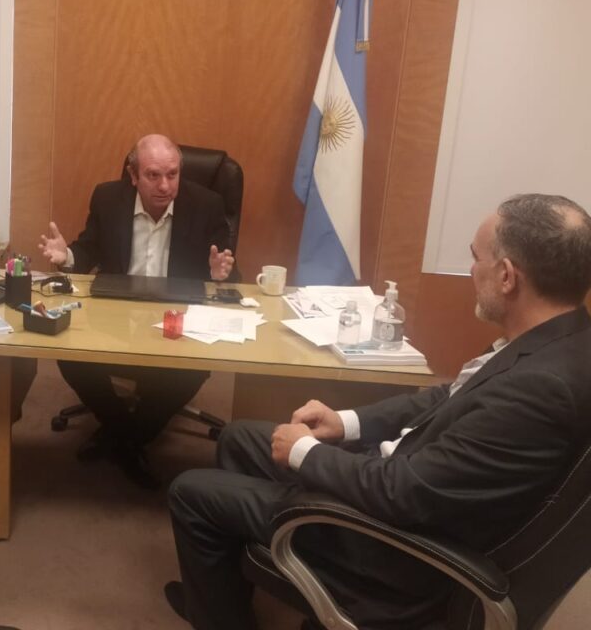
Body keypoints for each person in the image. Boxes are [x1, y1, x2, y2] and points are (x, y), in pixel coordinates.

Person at [166, 193, 591, 630]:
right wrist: (346, 422)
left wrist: (305, 453)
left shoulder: (539, 390)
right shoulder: (554, 341)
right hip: (406, 483)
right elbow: (447, 399)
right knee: (238, 438)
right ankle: (221, 598)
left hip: (392, 549)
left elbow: (404, 492)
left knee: (191, 491)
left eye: (475, 257)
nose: (470, 270)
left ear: (506, 276)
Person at [38, 134, 236, 489]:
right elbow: (88, 249)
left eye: (172, 175)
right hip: (116, 315)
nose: (165, 186)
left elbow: (226, 269)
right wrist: (66, 256)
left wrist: (219, 274)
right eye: (153, 175)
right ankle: (131, 437)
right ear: (133, 175)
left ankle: (117, 436)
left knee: (193, 369)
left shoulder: (207, 204)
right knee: (69, 353)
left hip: (175, 322)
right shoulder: (108, 198)